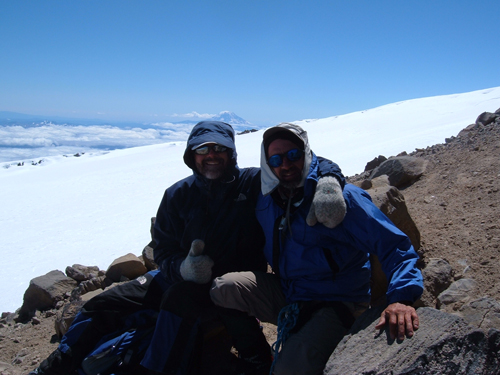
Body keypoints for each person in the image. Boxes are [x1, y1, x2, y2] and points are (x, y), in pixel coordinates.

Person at [29, 121, 346, 375]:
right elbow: (163, 247)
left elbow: (301, 163)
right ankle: (58, 363)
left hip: (229, 282)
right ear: (191, 154)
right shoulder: (177, 194)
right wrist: (181, 267)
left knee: (179, 301)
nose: (211, 154)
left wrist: (330, 181)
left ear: (231, 152)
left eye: (219, 148)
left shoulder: (252, 184)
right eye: (202, 148)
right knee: (105, 302)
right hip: (176, 276)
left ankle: (156, 367)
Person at [210, 123, 424, 375]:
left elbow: (394, 244)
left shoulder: (340, 198)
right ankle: (258, 359)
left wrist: (401, 297)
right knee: (223, 289)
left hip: (339, 301)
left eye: (293, 155)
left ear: (306, 154)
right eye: (276, 159)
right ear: (268, 163)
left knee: (289, 369)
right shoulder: (266, 198)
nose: (285, 165)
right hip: (291, 292)